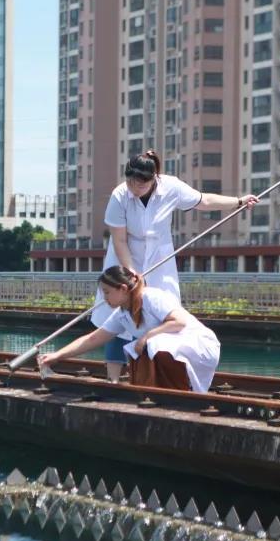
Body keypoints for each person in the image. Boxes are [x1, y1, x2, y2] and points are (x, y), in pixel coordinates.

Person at [93, 150, 257, 383]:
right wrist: (131, 273)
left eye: (141, 184)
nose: (134, 188)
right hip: (125, 261)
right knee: (118, 317)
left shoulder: (171, 187)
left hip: (159, 263)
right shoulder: (119, 196)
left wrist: (238, 201)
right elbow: (119, 240)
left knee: (161, 317)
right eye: (130, 182)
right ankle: (113, 380)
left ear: (154, 179)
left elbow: (203, 200)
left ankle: (152, 377)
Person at [40, 266, 221, 393]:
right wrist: (57, 356)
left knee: (152, 344)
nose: (104, 297)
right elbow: (93, 339)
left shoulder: (151, 297)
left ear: (123, 289)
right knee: (142, 348)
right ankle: (160, 390)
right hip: (176, 349)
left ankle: (176, 391)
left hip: (199, 345)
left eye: (107, 292)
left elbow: (179, 322)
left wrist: (146, 337)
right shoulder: (122, 314)